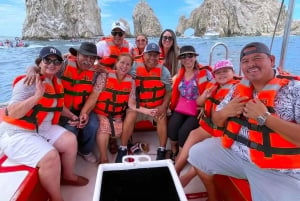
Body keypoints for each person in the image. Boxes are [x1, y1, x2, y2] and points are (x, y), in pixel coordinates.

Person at [188, 42, 300, 201]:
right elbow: (217, 120)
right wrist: (225, 112)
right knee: (196, 154)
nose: (251, 64)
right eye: (245, 61)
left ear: (272, 60)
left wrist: (265, 118)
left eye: (257, 58)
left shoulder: (295, 89)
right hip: (237, 154)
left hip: (276, 169)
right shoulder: (237, 89)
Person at [0, 47, 89, 201]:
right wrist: (36, 96)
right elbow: (12, 112)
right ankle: (56, 198)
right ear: (40, 62)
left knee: (69, 140)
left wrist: (73, 116)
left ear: (61, 65)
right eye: (47, 60)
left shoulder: (55, 81)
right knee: (50, 157)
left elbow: (56, 106)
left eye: (56, 61)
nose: (52, 64)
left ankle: (67, 176)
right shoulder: (26, 82)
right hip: (17, 133)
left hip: (41, 127)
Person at [25, 42, 100, 163]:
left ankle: (85, 150)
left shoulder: (96, 73)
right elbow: (45, 69)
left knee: (93, 124)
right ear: (77, 55)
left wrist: (84, 113)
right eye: (85, 56)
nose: (88, 61)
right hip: (62, 109)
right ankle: (68, 153)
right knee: (72, 129)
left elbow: (94, 95)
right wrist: (31, 69)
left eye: (92, 58)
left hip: (82, 107)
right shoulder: (64, 65)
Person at [175, 59, 240, 187]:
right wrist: (205, 96)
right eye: (218, 72)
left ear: (233, 72)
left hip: (224, 131)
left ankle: (186, 178)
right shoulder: (213, 85)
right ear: (214, 75)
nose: (221, 75)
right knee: (193, 134)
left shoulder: (237, 89)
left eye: (225, 71)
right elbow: (198, 103)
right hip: (210, 125)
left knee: (203, 150)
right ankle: (176, 170)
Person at [115, 43, 172, 163]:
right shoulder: (133, 66)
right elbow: (119, 70)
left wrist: (163, 106)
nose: (152, 58)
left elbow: (168, 91)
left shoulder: (164, 71)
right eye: (149, 54)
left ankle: (161, 150)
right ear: (143, 55)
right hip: (137, 106)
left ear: (159, 57)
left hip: (156, 106)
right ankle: (123, 148)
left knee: (162, 117)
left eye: (155, 55)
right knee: (130, 115)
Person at [80, 53, 135, 164]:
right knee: (104, 127)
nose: (124, 66)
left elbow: (132, 102)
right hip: (101, 112)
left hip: (117, 114)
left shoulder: (131, 81)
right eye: (122, 63)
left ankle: (113, 140)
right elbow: (94, 96)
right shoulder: (104, 76)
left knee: (117, 133)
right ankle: (103, 158)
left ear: (130, 67)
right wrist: (83, 112)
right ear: (116, 63)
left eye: (128, 64)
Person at [167, 45, 213, 161]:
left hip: (198, 109)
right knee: (172, 128)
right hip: (182, 107)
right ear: (180, 60)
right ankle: (174, 150)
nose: (187, 59)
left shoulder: (205, 73)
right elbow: (170, 84)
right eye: (184, 56)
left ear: (195, 57)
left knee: (184, 132)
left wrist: (205, 106)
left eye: (190, 55)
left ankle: (180, 157)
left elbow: (214, 90)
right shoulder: (179, 74)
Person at [96, 21, 133, 154]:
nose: (117, 36)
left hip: (121, 79)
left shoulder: (129, 46)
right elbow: (90, 59)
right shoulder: (102, 45)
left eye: (120, 33)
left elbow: (132, 63)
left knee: (124, 102)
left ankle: (119, 135)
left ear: (124, 34)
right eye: (114, 33)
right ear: (111, 34)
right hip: (105, 79)